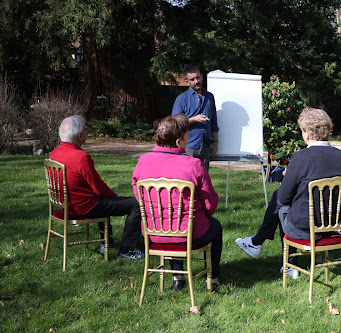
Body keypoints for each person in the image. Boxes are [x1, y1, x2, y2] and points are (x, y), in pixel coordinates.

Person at [236, 108, 341, 279]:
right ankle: (257, 243)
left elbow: (284, 198)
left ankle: (289, 264)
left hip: (304, 228)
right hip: (334, 226)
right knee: (283, 204)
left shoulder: (301, 158)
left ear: (306, 133)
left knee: (281, 206)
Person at [132, 114, 223, 290]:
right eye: (187, 135)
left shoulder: (143, 161)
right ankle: (213, 279)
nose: (189, 138)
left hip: (153, 233)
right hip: (190, 233)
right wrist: (206, 213)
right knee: (215, 227)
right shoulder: (193, 164)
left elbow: (139, 194)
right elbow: (210, 204)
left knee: (173, 223)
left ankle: (177, 277)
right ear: (178, 142)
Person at [49, 115, 144, 260]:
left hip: (68, 204)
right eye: (86, 129)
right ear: (80, 135)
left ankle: (105, 242)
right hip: (85, 207)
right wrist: (113, 195)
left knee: (101, 198)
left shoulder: (55, 153)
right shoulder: (81, 157)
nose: (88, 132)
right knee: (137, 204)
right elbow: (98, 188)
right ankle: (127, 249)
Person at [172, 65, 219, 170]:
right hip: (188, 145)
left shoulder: (210, 97)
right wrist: (194, 119)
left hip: (205, 145)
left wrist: (215, 143)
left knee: (203, 179)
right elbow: (175, 123)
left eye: (197, 77)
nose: (196, 81)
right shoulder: (182, 99)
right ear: (187, 82)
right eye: (192, 79)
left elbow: (214, 123)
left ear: (201, 77)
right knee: (187, 179)